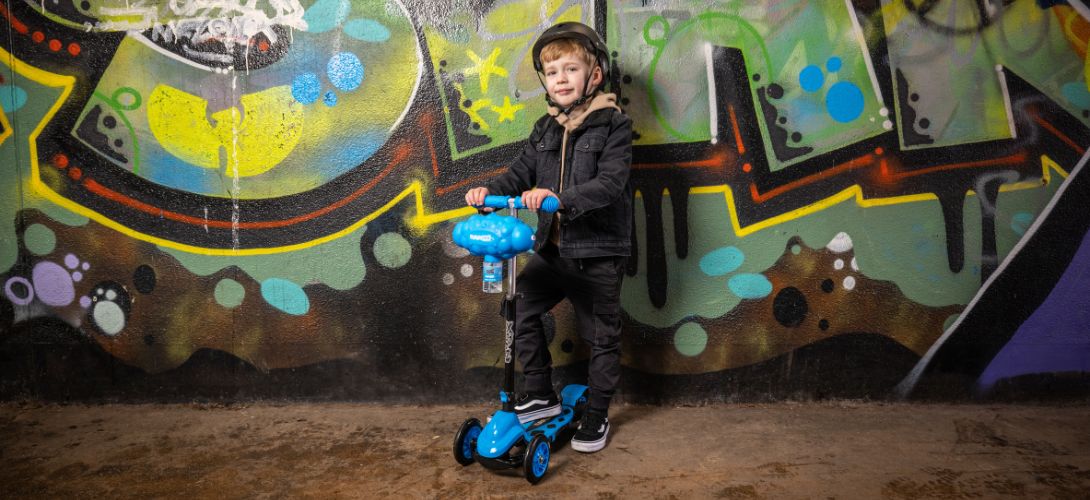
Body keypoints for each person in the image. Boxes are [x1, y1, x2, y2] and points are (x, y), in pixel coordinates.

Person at [464, 21, 633, 453]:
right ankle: (540, 391)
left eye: (571, 69)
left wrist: (560, 198)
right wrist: (489, 193)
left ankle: (596, 417)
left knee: (602, 337)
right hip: (555, 252)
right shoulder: (545, 128)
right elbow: (518, 174)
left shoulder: (613, 125)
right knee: (519, 310)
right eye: (552, 70)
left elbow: (610, 184)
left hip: (597, 255)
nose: (560, 78)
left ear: (593, 76)